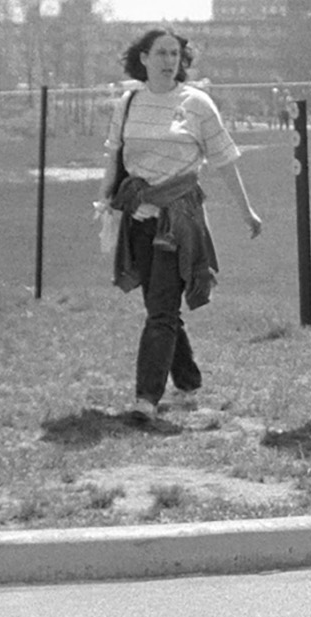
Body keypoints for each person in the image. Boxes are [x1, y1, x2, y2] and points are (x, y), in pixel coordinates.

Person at [98, 28, 263, 423]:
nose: (169, 61)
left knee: (161, 312)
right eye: (161, 53)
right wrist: (107, 202)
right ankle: (187, 378)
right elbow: (114, 154)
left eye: (175, 54)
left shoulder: (197, 104)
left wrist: (247, 212)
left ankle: (146, 400)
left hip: (179, 221)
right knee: (159, 303)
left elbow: (224, 160)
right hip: (138, 217)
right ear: (143, 58)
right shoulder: (129, 101)